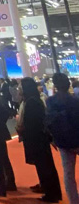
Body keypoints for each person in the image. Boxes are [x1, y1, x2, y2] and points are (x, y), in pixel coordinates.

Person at [18, 77, 62, 202]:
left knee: (44, 167)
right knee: (45, 166)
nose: (19, 89)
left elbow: (34, 124)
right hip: (40, 139)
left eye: (20, 87)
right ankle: (50, 191)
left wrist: (23, 130)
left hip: (37, 140)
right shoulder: (34, 100)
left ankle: (51, 194)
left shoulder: (31, 102)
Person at [46, 72, 79, 204]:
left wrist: (52, 138)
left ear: (55, 85)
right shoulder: (75, 101)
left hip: (62, 141)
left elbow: (49, 122)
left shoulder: (50, 101)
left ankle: (74, 200)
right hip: (77, 138)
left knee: (68, 174)